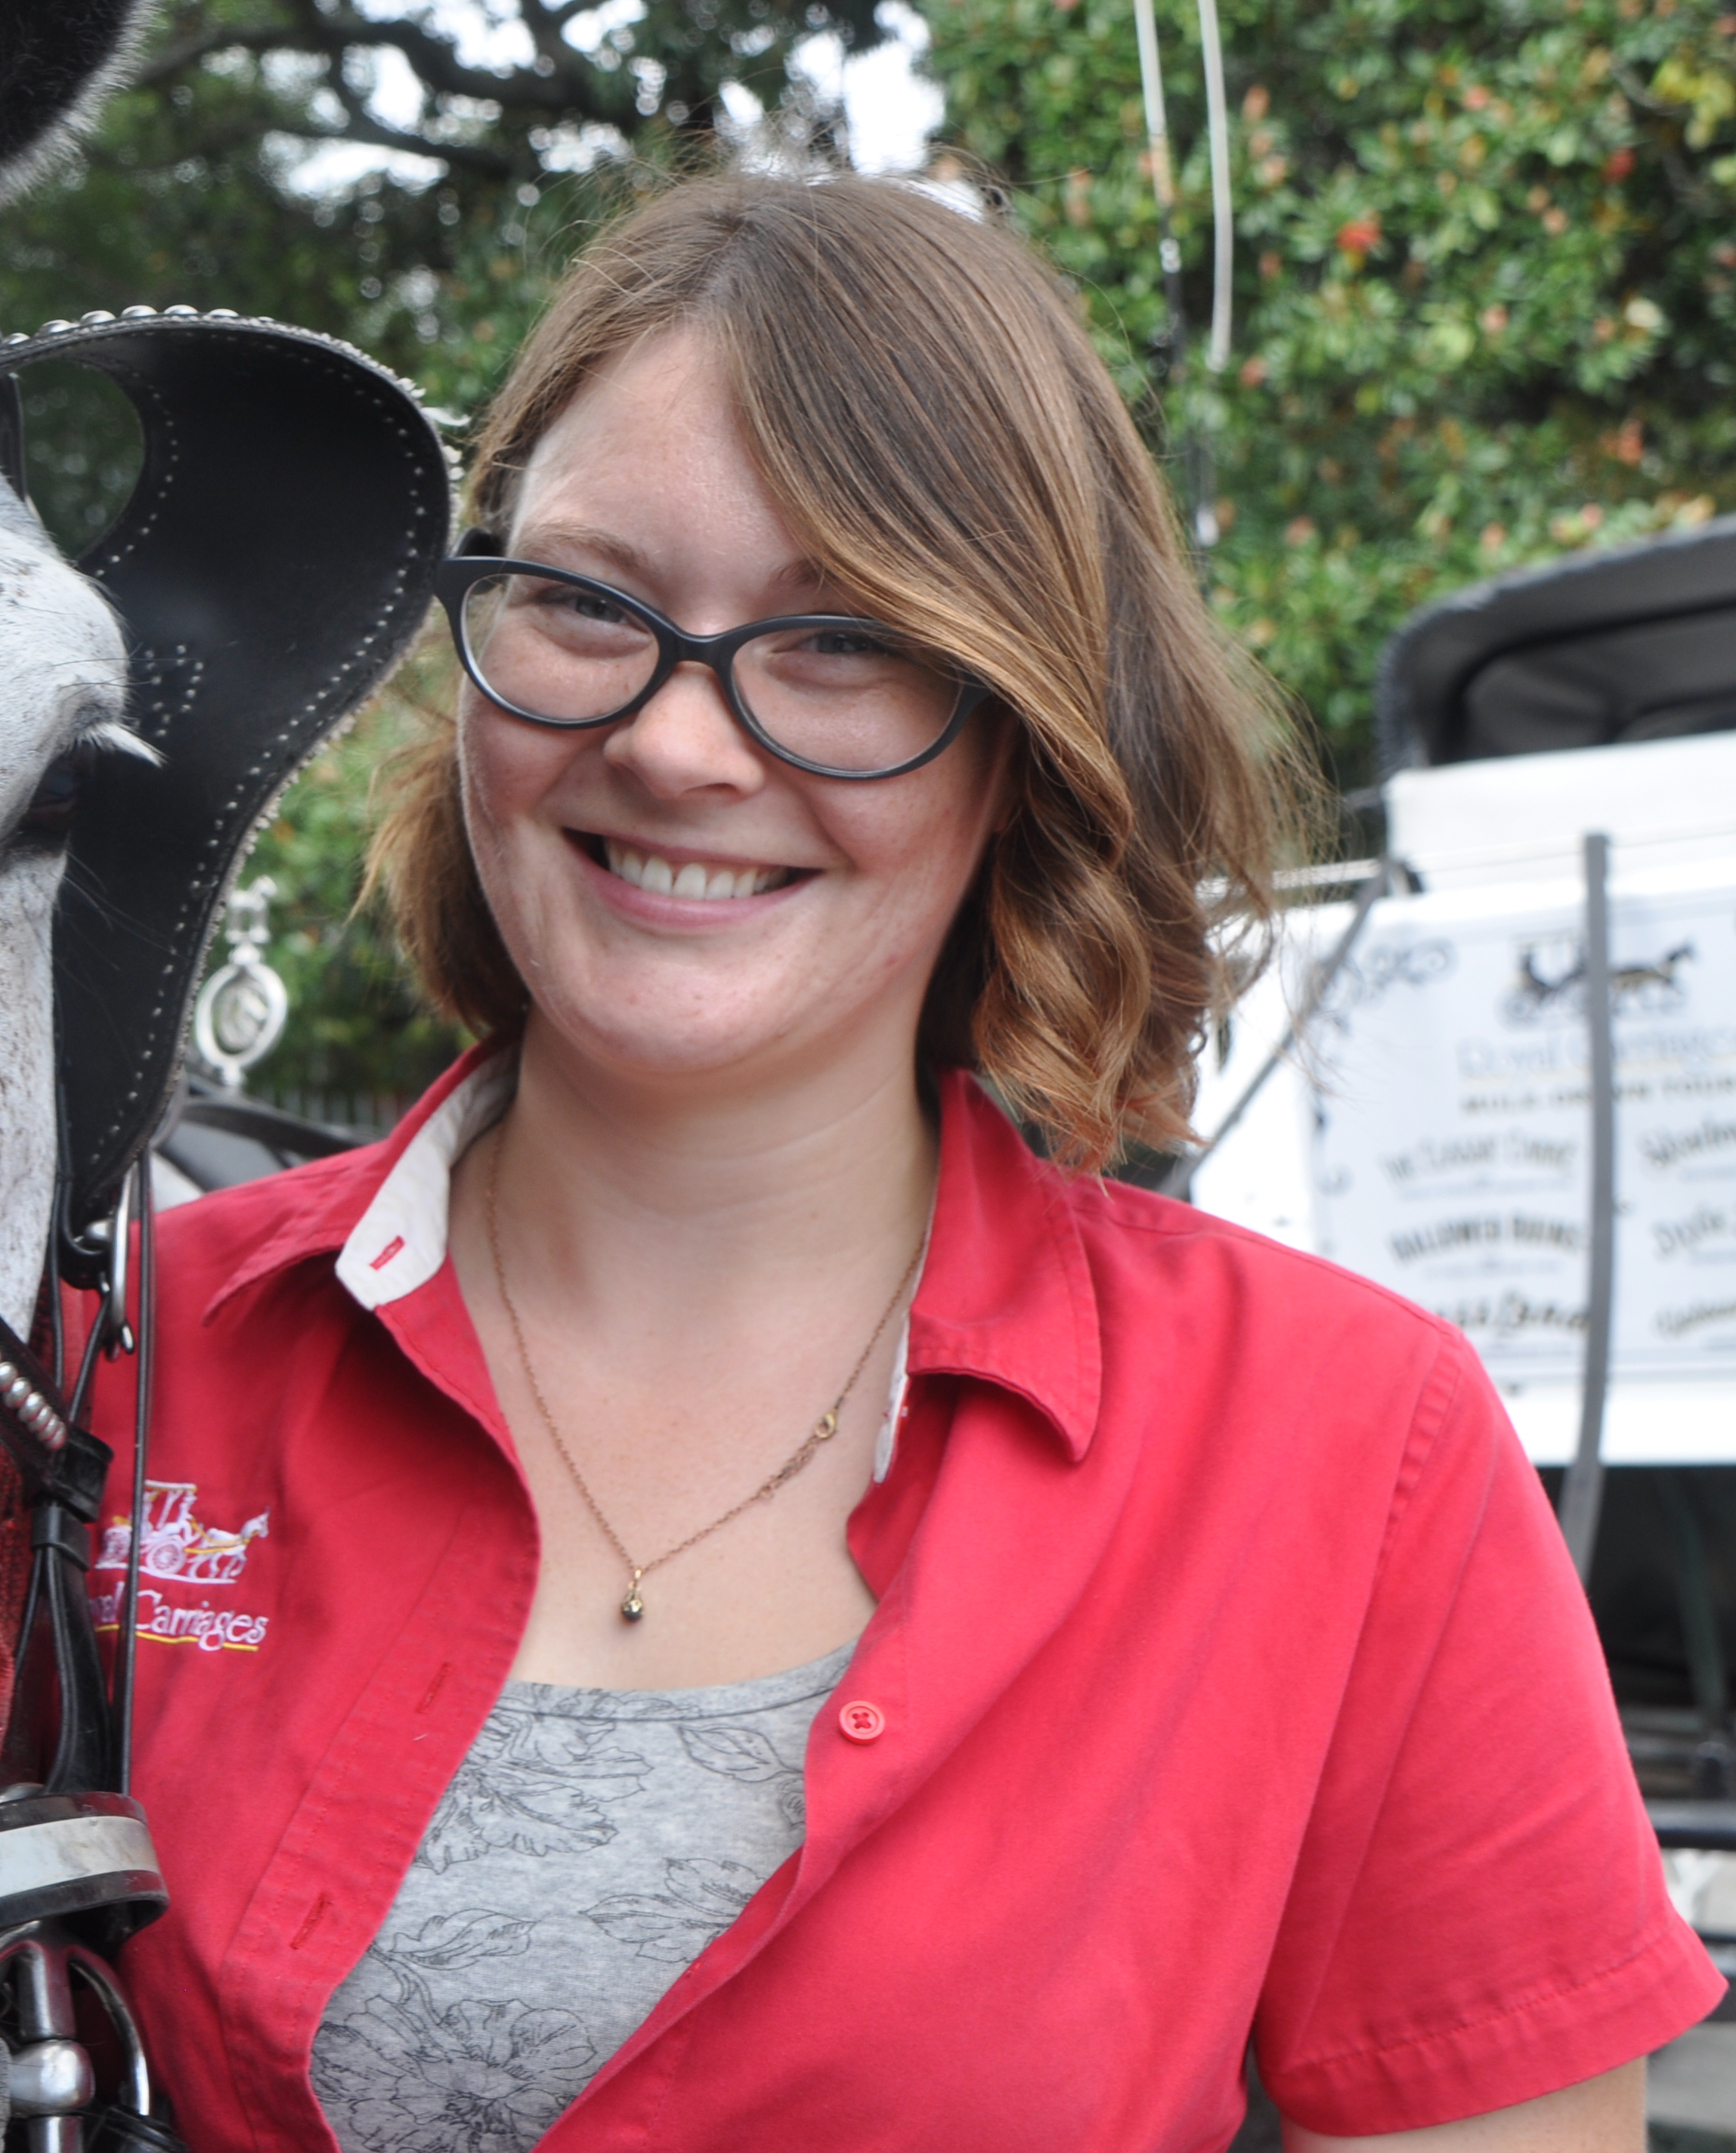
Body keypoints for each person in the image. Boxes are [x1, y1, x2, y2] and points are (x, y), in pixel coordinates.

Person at [101, 172, 1716, 2153]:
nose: (682, 746)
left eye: (842, 639)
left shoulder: (1352, 1453)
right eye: (588, 600)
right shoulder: (117, 1352)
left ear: (1025, 731)